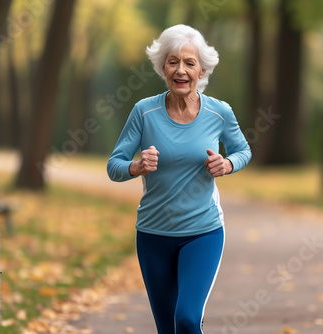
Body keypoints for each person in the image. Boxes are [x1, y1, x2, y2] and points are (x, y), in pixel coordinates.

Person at [107, 24, 252, 334]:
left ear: (201, 70)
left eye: (189, 63)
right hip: (153, 235)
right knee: (167, 328)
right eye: (173, 62)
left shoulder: (219, 112)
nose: (181, 70)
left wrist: (227, 163)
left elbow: (243, 151)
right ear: (163, 68)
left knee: (186, 318)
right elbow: (113, 165)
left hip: (203, 233)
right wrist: (136, 167)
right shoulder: (144, 112)